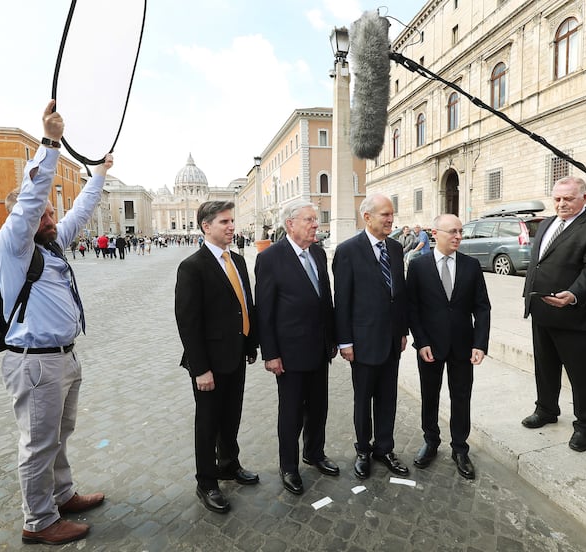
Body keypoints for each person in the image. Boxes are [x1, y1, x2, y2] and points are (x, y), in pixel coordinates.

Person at [0, 101, 110, 545]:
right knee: (38, 443)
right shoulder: (13, 245)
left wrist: (98, 175)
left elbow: (78, 212)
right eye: (44, 214)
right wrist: (51, 144)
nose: (53, 218)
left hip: (62, 358)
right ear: (24, 219)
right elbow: (32, 200)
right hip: (35, 363)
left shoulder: (49, 243)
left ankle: (61, 495)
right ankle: (38, 521)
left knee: (59, 435)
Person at [174, 200, 260, 514]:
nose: (231, 226)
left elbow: (244, 304)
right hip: (209, 363)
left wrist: (251, 344)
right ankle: (206, 481)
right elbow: (188, 321)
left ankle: (228, 464)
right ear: (206, 226)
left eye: (232, 221)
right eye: (224, 222)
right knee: (208, 423)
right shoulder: (193, 266)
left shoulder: (236, 260)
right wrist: (200, 369)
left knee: (231, 417)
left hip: (236, 355)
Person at [521, 177, 586, 453]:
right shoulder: (548, 223)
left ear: (584, 199)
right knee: (545, 368)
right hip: (542, 310)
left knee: (582, 376)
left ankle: (585, 426)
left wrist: (573, 294)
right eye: (557, 199)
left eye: (568, 199)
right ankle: (546, 409)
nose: (561, 204)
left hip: (577, 316)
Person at [255, 199, 339, 495]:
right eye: (309, 220)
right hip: (289, 355)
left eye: (316, 220)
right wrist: (271, 354)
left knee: (319, 408)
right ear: (290, 224)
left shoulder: (318, 253)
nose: (316, 224)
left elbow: (325, 299)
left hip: (319, 349)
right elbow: (264, 312)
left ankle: (314, 453)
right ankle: (288, 466)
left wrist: (332, 339)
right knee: (290, 413)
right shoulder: (271, 258)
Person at [406, 214, 491, 479]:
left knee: (461, 397)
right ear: (435, 233)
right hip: (430, 347)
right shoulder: (418, 266)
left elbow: (482, 307)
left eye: (460, 232)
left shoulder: (471, 265)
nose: (457, 236)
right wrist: (421, 343)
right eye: (452, 231)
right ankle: (431, 442)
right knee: (429, 396)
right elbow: (413, 309)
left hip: (463, 347)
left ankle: (460, 448)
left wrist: (480, 343)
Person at [333, 193, 410, 479]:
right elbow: (342, 300)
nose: (391, 219)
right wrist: (345, 341)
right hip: (362, 342)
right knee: (363, 399)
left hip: (392, 341)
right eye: (385, 215)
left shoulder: (396, 248)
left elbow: (398, 294)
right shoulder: (348, 250)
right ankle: (363, 450)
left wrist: (402, 332)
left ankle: (384, 448)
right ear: (367, 217)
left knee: (388, 398)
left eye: (391, 214)